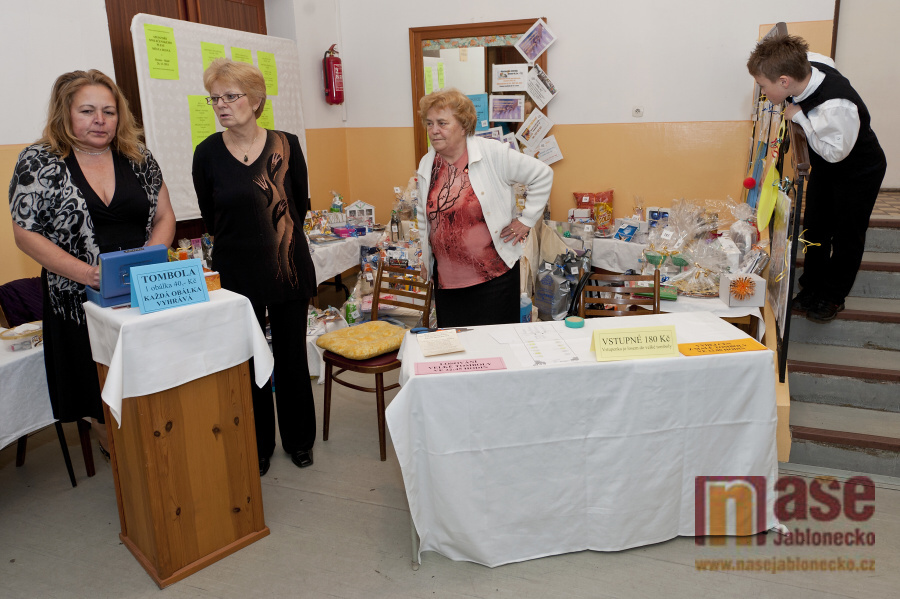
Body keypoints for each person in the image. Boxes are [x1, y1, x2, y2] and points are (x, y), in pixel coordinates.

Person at [9, 69, 176, 455]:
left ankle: (154, 459)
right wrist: (89, 274)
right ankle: (120, 458)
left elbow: (165, 216)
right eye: (87, 111)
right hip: (76, 302)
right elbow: (25, 233)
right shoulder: (39, 161)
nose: (100, 120)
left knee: (147, 385)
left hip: (141, 297)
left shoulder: (138, 156)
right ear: (65, 113)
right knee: (99, 400)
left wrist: (149, 262)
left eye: (109, 111)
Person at [192, 58, 317, 476]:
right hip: (237, 273)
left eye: (231, 96)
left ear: (256, 99)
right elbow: (211, 216)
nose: (221, 105)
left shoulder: (286, 144)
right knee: (249, 361)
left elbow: (300, 204)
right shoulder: (207, 153)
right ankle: (259, 444)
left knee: (291, 357)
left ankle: (299, 441)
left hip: (287, 268)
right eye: (215, 98)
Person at [747, 35, 887, 323]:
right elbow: (823, 58)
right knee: (815, 227)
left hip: (857, 169)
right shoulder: (809, 64)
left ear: (784, 81)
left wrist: (800, 118)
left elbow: (835, 154)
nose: (762, 91)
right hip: (826, 165)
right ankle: (811, 287)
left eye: (762, 85)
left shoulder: (835, 106)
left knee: (847, 234)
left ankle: (833, 296)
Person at [416, 89, 553, 327]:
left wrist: (527, 220)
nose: (434, 130)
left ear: (463, 125)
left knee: (497, 344)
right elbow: (424, 216)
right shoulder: (428, 164)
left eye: (442, 123)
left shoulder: (492, 153)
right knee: (457, 345)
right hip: (448, 284)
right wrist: (426, 259)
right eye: (429, 123)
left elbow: (542, 174)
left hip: (495, 280)